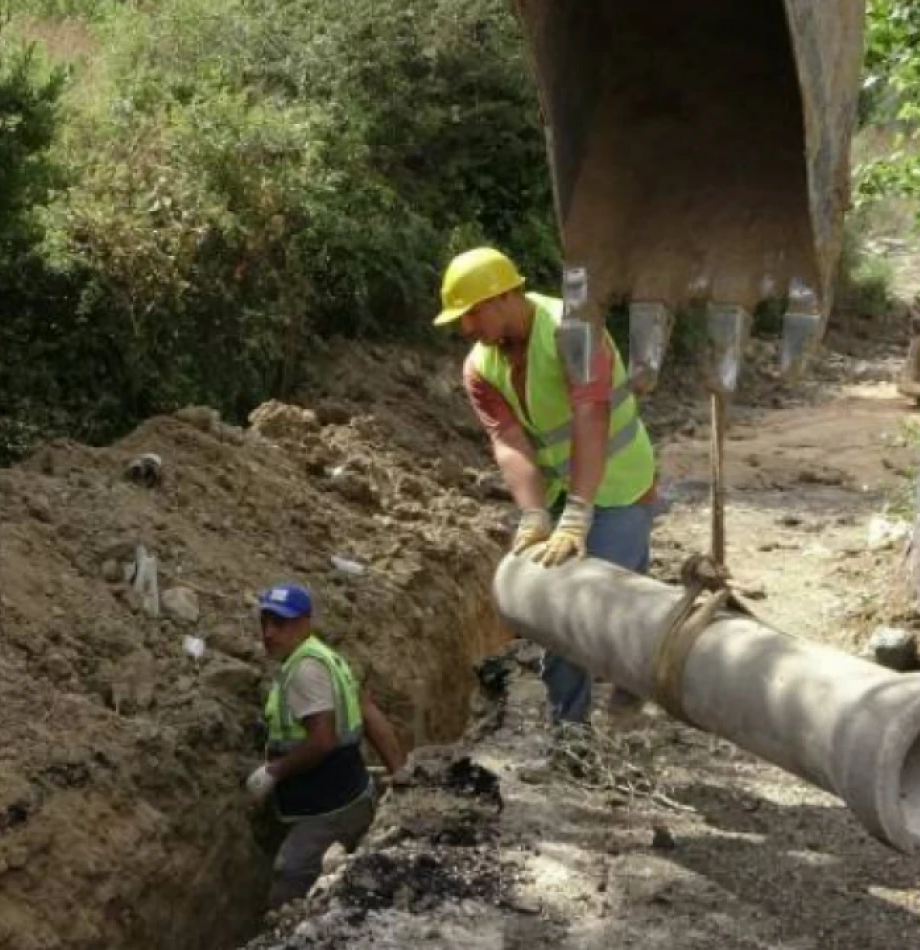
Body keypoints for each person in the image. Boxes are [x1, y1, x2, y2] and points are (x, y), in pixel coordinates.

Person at [434, 246, 659, 725]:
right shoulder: (481, 367)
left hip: (621, 482)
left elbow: (590, 414)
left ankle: (633, 681)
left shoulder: (573, 331)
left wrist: (579, 512)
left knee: (596, 603)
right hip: (563, 488)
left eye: (471, 314)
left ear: (503, 297)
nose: (466, 329)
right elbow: (509, 439)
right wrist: (534, 512)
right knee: (565, 615)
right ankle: (570, 736)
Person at [244, 582, 406, 908]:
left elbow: (323, 739)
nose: (270, 633)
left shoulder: (305, 669)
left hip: (328, 808)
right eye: (266, 622)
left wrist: (273, 772)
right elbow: (368, 709)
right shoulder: (325, 657)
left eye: (280, 623)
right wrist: (402, 774)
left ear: (305, 622)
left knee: (290, 876)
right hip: (352, 795)